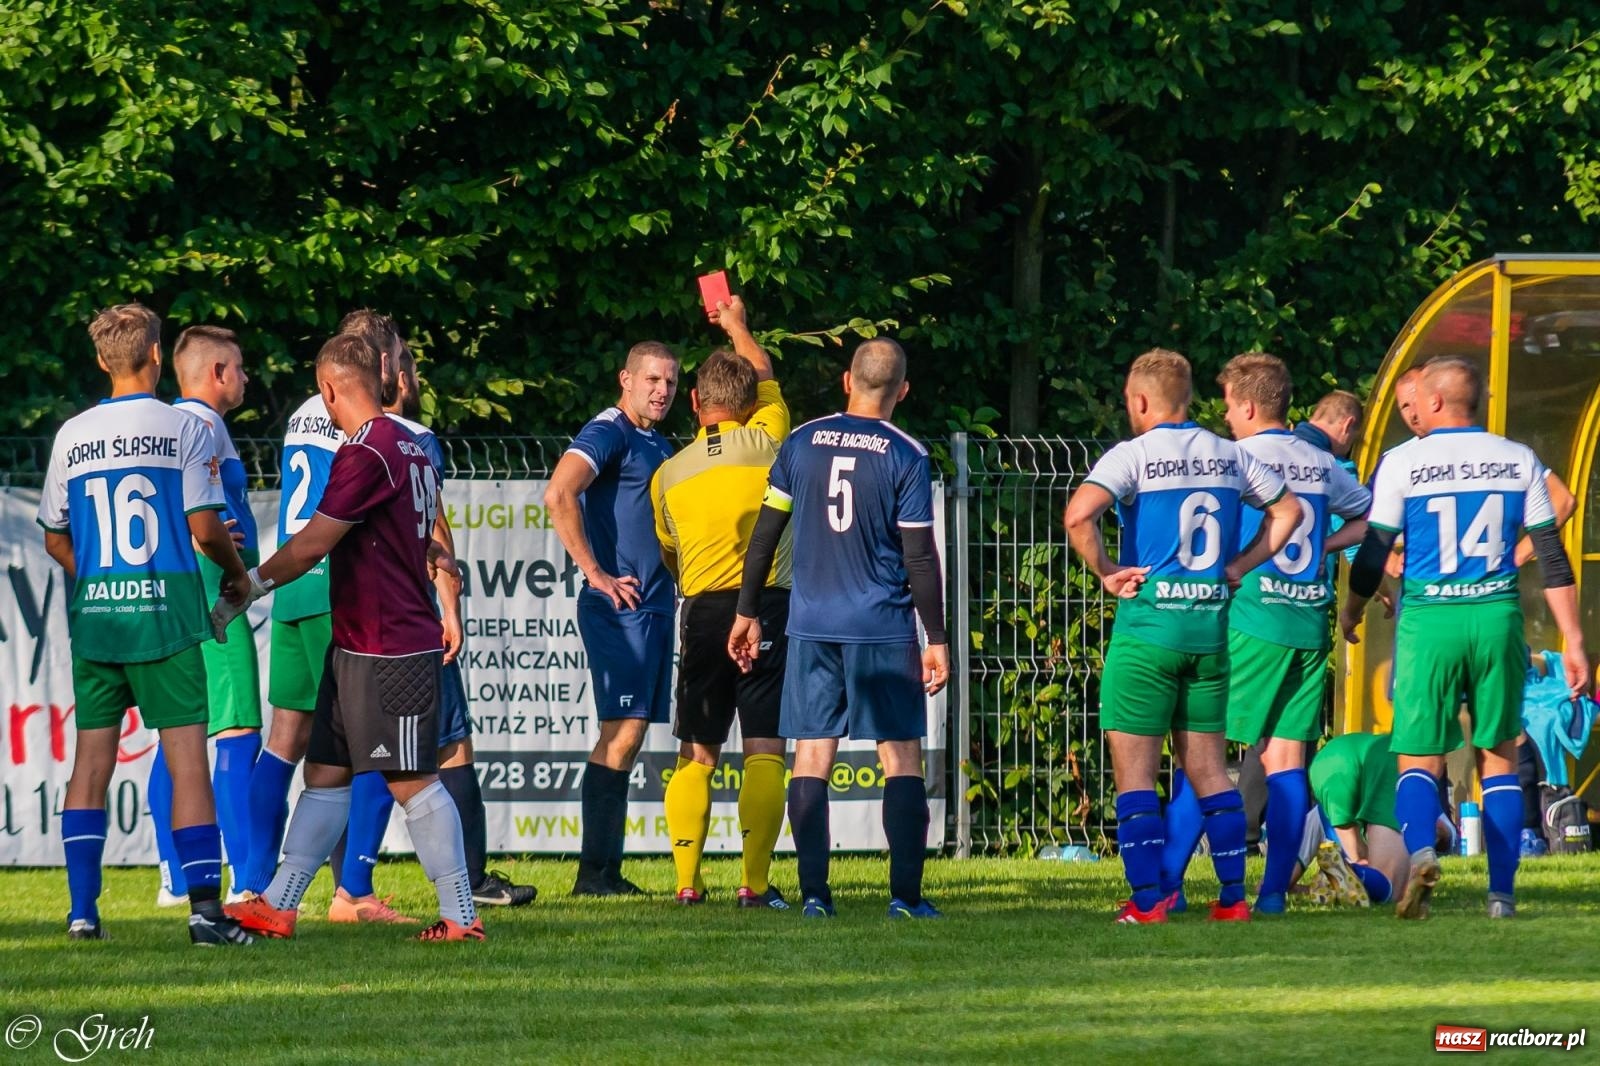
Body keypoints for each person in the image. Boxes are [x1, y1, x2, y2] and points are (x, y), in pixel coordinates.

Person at [219, 333, 484, 942]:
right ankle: (279, 905)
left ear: (330, 388)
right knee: (327, 772)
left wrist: (249, 586)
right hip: (358, 642)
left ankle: (462, 917)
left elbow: (315, 540)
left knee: (413, 780)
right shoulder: (410, 445)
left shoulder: (368, 451)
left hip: (391, 646)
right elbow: (418, 535)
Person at [1339, 356, 1590, 920]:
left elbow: (1375, 549)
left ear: (1434, 402)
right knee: (1498, 758)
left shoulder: (1403, 461)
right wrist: (1573, 640)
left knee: (1418, 761)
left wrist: (1353, 609)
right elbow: (1551, 554)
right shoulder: (1516, 458)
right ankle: (1501, 895)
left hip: (1431, 621)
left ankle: (1425, 850)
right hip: (1496, 616)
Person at [38, 302, 253, 945]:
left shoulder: (72, 434)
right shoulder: (180, 427)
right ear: (157, 355)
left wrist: (99, 580)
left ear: (103, 360)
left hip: (100, 621)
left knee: (91, 764)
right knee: (189, 758)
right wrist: (238, 575)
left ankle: (82, 913)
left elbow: (54, 539)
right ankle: (204, 913)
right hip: (166, 615)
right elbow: (206, 527)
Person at [1063, 349, 1300, 924]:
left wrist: (1105, 574)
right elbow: (1288, 513)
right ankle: (1233, 900)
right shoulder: (1230, 454)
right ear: (1189, 398)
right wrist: (1240, 567)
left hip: (1149, 633)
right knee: (1210, 772)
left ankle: (1148, 903)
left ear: (1140, 401)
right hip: (1208, 632)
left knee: (1137, 776)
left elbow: (1077, 516)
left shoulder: (1134, 456)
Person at [728, 337, 949, 920]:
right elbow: (920, 559)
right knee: (900, 757)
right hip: (880, 626)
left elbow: (765, 534)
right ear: (902, 391)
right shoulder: (906, 454)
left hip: (812, 623)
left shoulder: (800, 443)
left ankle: (815, 897)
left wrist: (747, 611)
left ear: (846, 381)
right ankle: (905, 898)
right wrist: (938, 639)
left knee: (811, 757)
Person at [324, 336, 537, 919]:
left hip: (351, 620)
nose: (413, 377)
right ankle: (449, 896)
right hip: (397, 626)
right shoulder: (405, 442)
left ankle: (302, 893)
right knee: (431, 751)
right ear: (386, 367)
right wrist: (449, 608)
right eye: (406, 362)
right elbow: (433, 533)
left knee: (338, 760)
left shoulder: (339, 433)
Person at [1161, 355, 1372, 915]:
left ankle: (1166, 888)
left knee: (1198, 752)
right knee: (1285, 761)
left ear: (1249, 405)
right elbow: (1368, 522)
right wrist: (1324, 548)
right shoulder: (1322, 463)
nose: (1226, 416)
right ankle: (1273, 895)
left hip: (1253, 621)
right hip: (1308, 621)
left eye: (1229, 404)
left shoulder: (1239, 458)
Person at [651, 296, 790, 908]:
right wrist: (736, 322)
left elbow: (669, 554)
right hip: (767, 604)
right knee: (764, 744)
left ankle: (687, 880)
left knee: (698, 749)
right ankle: (754, 883)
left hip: (702, 606)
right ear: (751, 404)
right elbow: (763, 374)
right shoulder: (771, 440)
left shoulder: (669, 473)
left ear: (694, 402)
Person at [545, 341, 680, 895]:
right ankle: (593, 874)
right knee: (621, 736)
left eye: (670, 382)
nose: (661, 390)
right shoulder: (610, 429)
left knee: (627, 736)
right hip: (620, 608)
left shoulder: (658, 441)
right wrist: (596, 572)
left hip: (653, 607)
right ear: (625, 378)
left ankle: (603, 873)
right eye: (651, 379)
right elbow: (559, 493)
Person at [146, 326, 262, 908]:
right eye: (240, 369)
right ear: (217, 372)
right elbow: (198, 517)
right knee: (237, 729)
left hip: (179, 596)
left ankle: (174, 874)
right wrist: (223, 555)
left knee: (181, 731)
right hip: (215, 595)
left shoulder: (169, 424)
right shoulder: (202, 424)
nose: (245, 379)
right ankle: (244, 879)